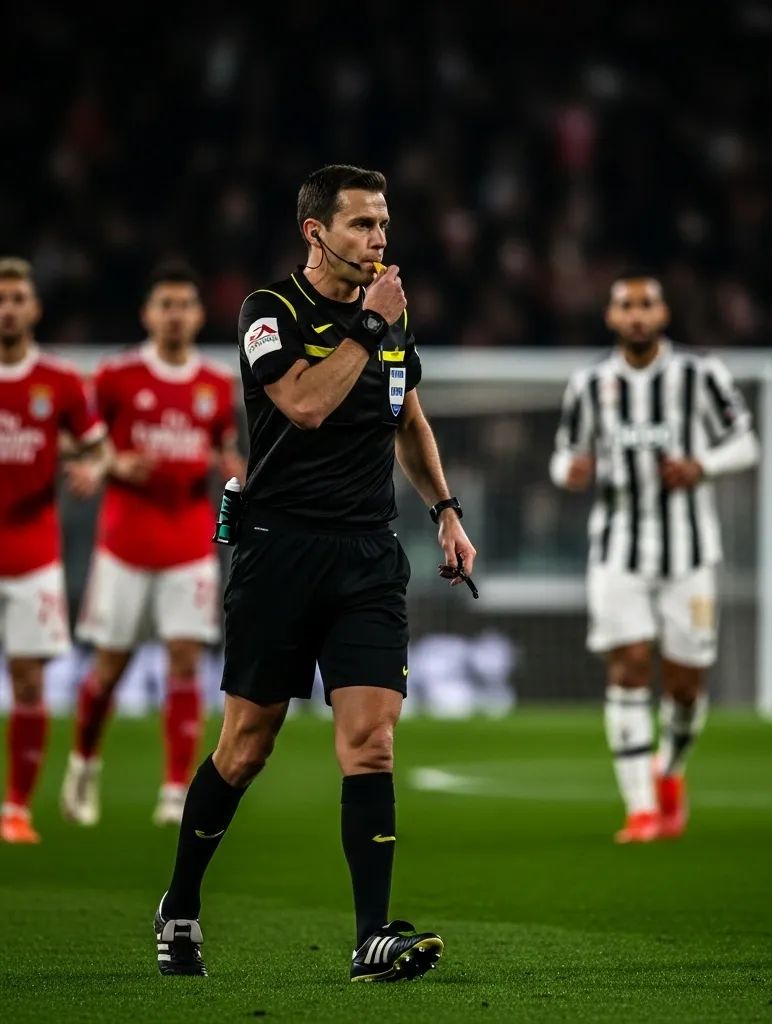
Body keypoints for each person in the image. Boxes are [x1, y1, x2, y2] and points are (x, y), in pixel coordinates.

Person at [152, 164, 477, 982]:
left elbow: (406, 419)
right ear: (316, 232)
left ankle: (372, 936)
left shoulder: (391, 322)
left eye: (384, 225)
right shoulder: (271, 312)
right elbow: (303, 404)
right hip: (280, 551)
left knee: (370, 744)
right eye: (363, 224)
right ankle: (180, 903)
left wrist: (445, 511)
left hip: (368, 554)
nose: (378, 240)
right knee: (245, 747)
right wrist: (368, 327)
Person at [550, 271, 759, 843]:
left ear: (663, 315)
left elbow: (747, 441)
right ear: (611, 317)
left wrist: (703, 465)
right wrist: (569, 470)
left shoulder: (700, 374)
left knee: (687, 684)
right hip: (617, 549)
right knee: (629, 664)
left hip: (689, 553)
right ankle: (640, 807)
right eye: (626, 305)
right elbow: (564, 452)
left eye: (647, 304)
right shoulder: (589, 384)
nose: (637, 314)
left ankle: (670, 772)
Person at [61, 262, 244, 828]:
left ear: (197, 314)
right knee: (109, 666)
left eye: (184, 305)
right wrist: (110, 463)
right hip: (124, 546)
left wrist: (236, 469)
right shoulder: (116, 377)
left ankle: (173, 790)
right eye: (164, 305)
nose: (174, 315)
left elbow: (225, 449)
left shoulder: (215, 384)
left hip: (189, 544)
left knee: (185, 664)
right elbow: (78, 442)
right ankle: (84, 765)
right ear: (147, 314)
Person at [0, 256, 107, 843]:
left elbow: (95, 447)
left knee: (29, 683)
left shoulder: (61, 382)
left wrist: (91, 468)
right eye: (1, 298)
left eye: (18, 297)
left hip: (31, 554)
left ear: (34, 308)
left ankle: (15, 808)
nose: (8, 308)